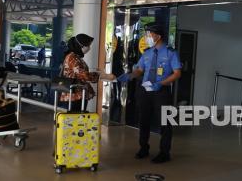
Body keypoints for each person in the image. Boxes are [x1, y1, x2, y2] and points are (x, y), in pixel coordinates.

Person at [117, 23, 181, 163]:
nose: (147, 37)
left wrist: (161, 83)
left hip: (161, 91)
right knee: (143, 120)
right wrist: (130, 76)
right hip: (145, 91)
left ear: (158, 35)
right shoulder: (147, 53)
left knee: (165, 123)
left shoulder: (171, 53)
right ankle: (143, 148)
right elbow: (140, 70)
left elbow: (177, 73)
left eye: (149, 34)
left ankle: (164, 153)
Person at [59, 34, 115, 111]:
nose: (89, 48)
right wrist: (103, 76)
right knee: (76, 119)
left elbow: (80, 72)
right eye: (88, 45)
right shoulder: (72, 58)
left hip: (77, 93)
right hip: (74, 94)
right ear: (80, 45)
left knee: (78, 119)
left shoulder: (75, 56)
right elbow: (83, 75)